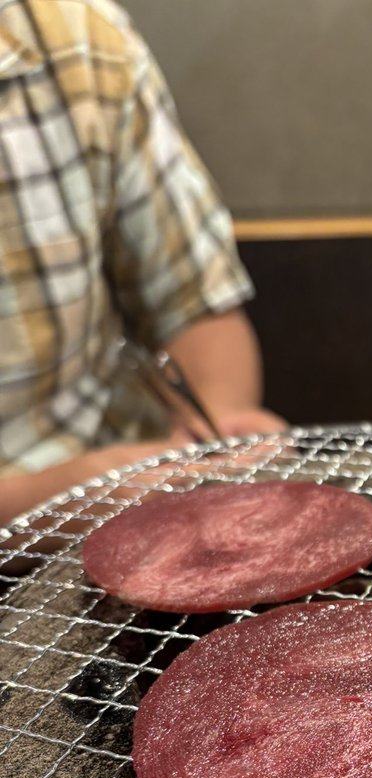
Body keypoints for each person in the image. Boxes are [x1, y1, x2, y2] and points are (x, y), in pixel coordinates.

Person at [0, 0, 284, 527]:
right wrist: (53, 498)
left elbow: (194, 304)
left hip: (129, 492)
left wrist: (217, 430)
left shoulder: (81, 38)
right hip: (89, 497)